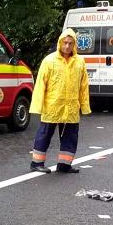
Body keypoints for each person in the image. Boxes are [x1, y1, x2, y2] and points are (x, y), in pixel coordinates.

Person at [29, 28, 91, 174]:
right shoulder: (49, 61)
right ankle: (36, 163)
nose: (67, 46)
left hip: (71, 107)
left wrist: (84, 107)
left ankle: (64, 165)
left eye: (70, 43)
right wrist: (37, 106)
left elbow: (83, 87)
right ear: (60, 43)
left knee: (70, 137)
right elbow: (40, 84)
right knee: (44, 134)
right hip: (52, 106)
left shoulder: (80, 62)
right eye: (65, 43)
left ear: (74, 45)